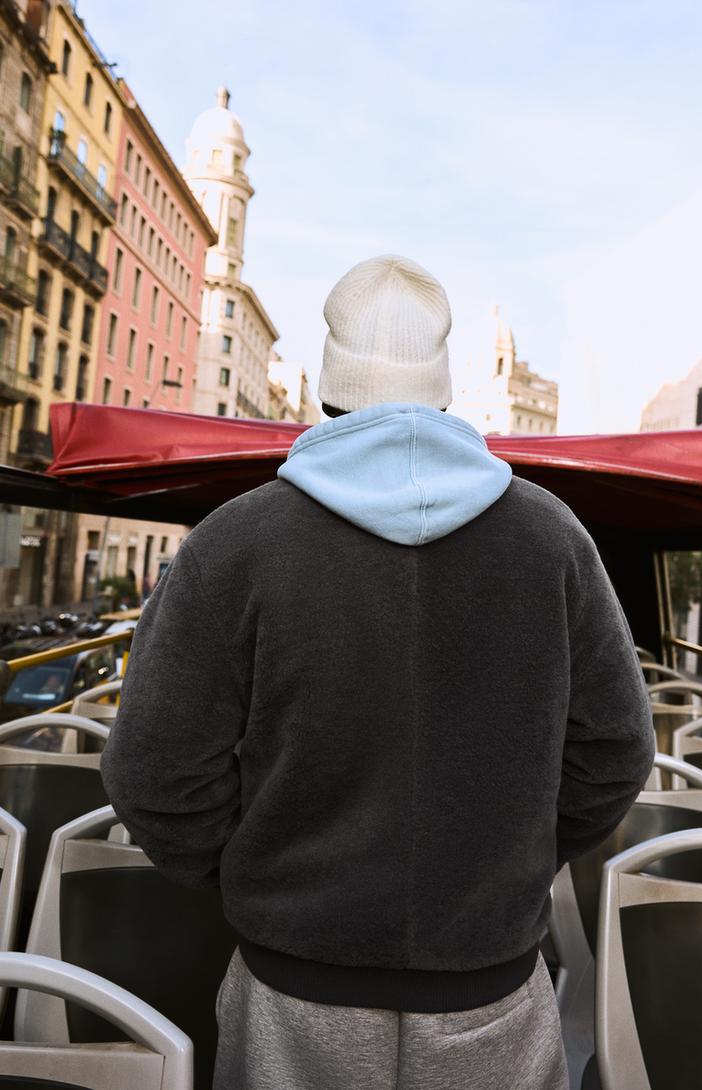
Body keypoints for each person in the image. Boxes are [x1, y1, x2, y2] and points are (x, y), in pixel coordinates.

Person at [101, 254, 656, 1090]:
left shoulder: (234, 541)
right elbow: (614, 752)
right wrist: (506, 859)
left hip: (293, 991)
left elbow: (153, 774)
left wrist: (257, 869)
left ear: (329, 389)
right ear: (443, 390)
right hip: (491, 993)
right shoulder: (553, 539)